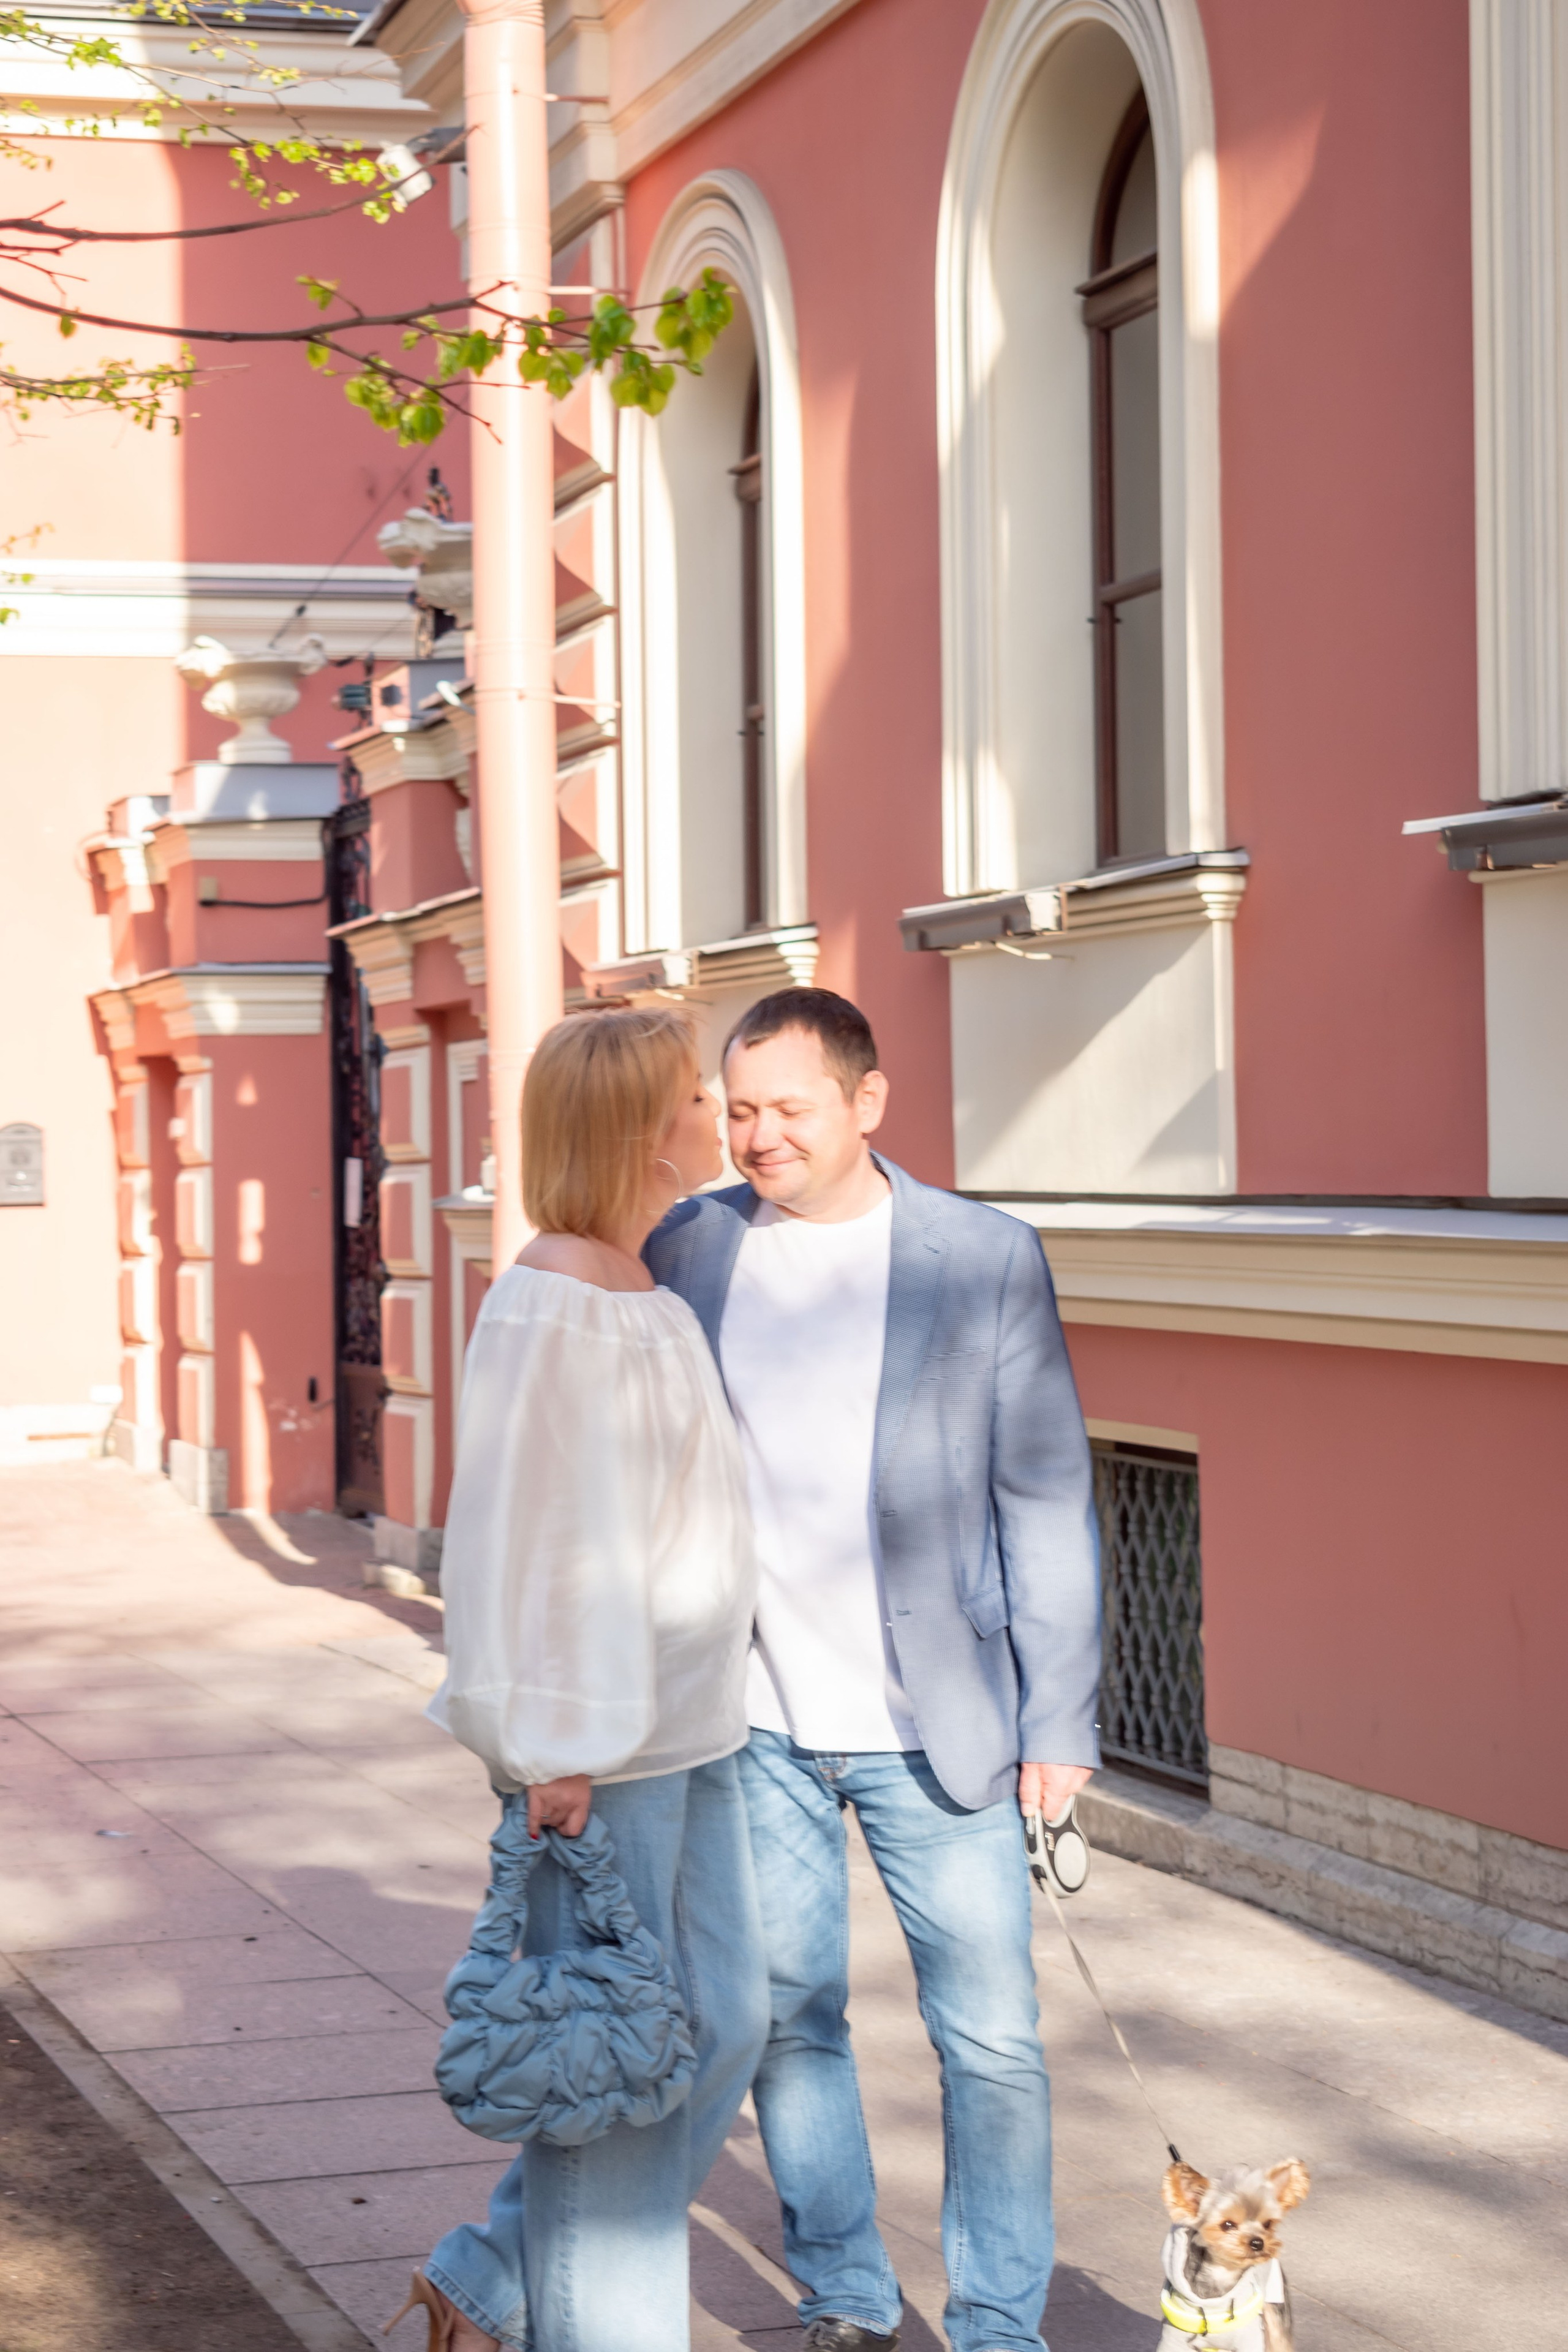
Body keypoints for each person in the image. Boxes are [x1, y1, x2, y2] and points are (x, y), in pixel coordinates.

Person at [646, 986, 1101, 2352]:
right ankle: (843, 2296)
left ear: (867, 1102)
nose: (758, 1136)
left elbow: (1045, 1495)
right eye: (737, 1111)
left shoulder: (980, 1255)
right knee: (789, 2022)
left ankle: (999, 2324)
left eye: (787, 1108)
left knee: (993, 2046)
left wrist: (1057, 1718)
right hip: (752, 1720)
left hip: (942, 1729)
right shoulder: (691, 1248)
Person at [398, 1005, 767, 2352]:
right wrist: (548, 1744)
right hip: (599, 1749)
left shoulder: (643, 1289)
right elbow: (529, 1540)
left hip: (697, 1727)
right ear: (631, 1126)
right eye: (687, 1102)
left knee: (722, 2024)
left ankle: (487, 2285)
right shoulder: (549, 1297)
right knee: (615, 2082)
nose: (708, 1124)